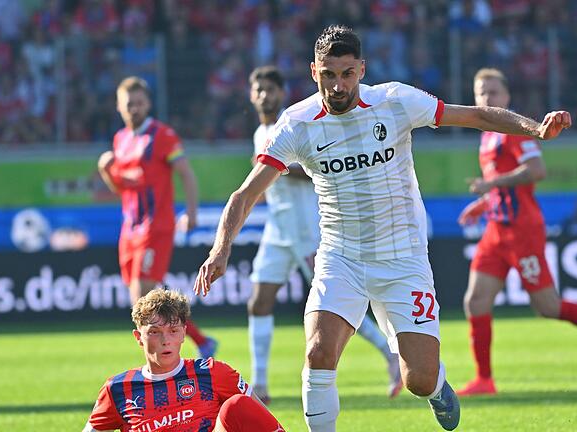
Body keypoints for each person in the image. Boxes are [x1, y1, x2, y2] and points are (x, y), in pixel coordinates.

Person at [195, 25, 571, 432]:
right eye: (328, 74)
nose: (337, 85)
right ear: (313, 72)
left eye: (346, 74)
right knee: (319, 352)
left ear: (361, 69)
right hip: (340, 256)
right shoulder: (296, 124)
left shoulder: (394, 101)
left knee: (418, 380)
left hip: (403, 256)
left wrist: (536, 129)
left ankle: (437, 384)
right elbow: (245, 194)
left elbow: (477, 115)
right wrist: (221, 248)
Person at [455, 68, 577, 397]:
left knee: (547, 307)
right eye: (481, 93)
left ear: (507, 97)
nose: (487, 99)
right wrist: (484, 202)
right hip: (497, 229)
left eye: (493, 92)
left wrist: (491, 185)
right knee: (476, 301)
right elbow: (504, 183)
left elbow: (537, 171)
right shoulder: (487, 134)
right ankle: (484, 380)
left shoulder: (512, 130)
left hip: (523, 230)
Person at [246, 65, 402, 404]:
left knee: (338, 306)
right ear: (250, 95)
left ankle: (390, 355)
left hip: (308, 230)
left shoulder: (296, 125)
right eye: (258, 89)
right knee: (258, 302)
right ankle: (259, 384)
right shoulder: (261, 133)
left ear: (281, 93)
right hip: (278, 229)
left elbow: (314, 169)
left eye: (270, 89)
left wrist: (280, 170)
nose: (263, 95)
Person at [97, 76, 218, 359]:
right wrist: (107, 171)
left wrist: (191, 212)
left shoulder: (161, 135)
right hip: (129, 229)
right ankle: (201, 341)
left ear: (148, 103)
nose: (135, 108)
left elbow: (186, 174)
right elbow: (122, 188)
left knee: (143, 296)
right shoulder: (121, 139)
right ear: (119, 106)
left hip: (156, 226)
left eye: (140, 103)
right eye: (129, 104)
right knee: (140, 301)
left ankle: (160, 361)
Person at [82, 288, 285, 432]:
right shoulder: (117, 389)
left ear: (183, 334)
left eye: (173, 331)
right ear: (139, 338)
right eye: (154, 332)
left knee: (238, 405)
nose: (165, 340)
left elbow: (265, 422)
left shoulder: (213, 372)